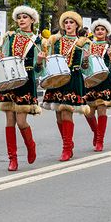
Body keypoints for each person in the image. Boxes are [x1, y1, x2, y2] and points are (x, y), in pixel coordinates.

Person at [0, 5, 43, 171]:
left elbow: (39, 70)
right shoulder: (10, 37)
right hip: (10, 79)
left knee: (21, 121)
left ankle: (31, 145)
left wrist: (39, 62)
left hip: (26, 80)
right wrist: (0, 56)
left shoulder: (37, 41)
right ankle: (12, 158)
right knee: (10, 120)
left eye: (25, 17)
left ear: (32, 20)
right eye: (19, 17)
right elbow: (5, 56)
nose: (21, 20)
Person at [41, 11, 90, 162]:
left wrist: (86, 59)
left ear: (77, 25)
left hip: (73, 78)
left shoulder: (83, 43)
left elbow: (86, 68)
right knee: (58, 114)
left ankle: (66, 148)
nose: (68, 25)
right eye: (66, 22)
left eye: (71, 22)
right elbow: (47, 61)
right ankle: (67, 143)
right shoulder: (55, 41)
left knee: (66, 111)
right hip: (57, 79)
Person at [82, 19, 111, 152]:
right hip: (91, 81)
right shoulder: (88, 46)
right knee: (88, 112)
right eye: (97, 29)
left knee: (101, 108)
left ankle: (100, 141)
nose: (99, 31)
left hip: (105, 80)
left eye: (102, 29)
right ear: (93, 31)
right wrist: (85, 58)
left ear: (106, 32)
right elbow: (84, 68)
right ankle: (96, 132)